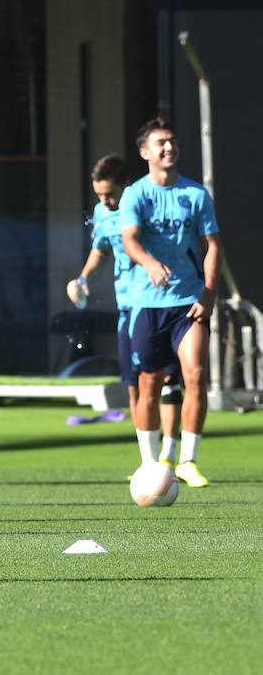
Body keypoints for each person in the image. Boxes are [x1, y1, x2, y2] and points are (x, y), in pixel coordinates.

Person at [66, 154, 183, 476]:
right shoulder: (104, 213)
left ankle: (173, 459)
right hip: (127, 307)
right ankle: (148, 460)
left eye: (110, 194)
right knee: (133, 384)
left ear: (125, 186)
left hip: (161, 302)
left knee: (169, 380)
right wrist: (83, 278)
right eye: (99, 195)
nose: (105, 201)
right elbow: (101, 249)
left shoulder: (147, 204)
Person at [119, 117, 219, 488]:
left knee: (195, 375)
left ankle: (188, 460)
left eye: (173, 141)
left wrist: (209, 292)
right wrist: (147, 261)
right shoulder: (135, 194)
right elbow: (129, 239)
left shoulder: (196, 195)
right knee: (150, 384)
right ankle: (149, 463)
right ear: (145, 151)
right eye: (160, 142)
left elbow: (213, 247)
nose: (168, 147)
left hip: (188, 302)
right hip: (147, 304)